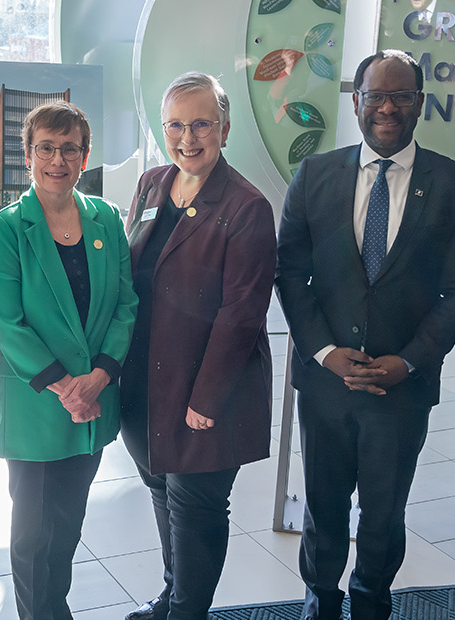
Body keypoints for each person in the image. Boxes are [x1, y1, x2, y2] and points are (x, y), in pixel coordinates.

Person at [274, 50, 455, 620]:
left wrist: (410, 361)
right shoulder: (315, 175)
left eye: (401, 96)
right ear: (357, 102)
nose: (387, 107)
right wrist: (323, 352)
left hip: (402, 387)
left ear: (420, 103)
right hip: (326, 385)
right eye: (376, 96)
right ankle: (320, 599)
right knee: (323, 504)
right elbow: (290, 273)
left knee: (385, 511)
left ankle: (371, 600)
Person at [120, 71, 276, 620]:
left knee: (196, 506)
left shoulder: (246, 207)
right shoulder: (152, 184)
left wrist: (206, 401)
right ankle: (171, 597)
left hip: (206, 393)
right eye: (176, 125)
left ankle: (189, 611)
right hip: (145, 383)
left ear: (225, 128)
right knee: (162, 489)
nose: (188, 137)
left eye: (202, 124)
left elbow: (242, 315)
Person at [0, 100, 138, 620]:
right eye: (45, 148)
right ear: (27, 155)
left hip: (94, 400)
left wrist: (98, 377)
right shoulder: (6, 228)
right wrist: (68, 388)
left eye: (69, 149)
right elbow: (8, 322)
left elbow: (126, 305)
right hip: (39, 405)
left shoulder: (107, 218)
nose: (57, 159)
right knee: (32, 534)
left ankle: (55, 609)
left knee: (68, 524)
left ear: (85, 155)